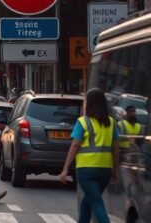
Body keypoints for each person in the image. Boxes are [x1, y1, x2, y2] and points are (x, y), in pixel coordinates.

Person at [58, 88, 119, 223]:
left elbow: (75, 146)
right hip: (105, 170)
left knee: (96, 203)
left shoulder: (82, 122)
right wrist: (116, 170)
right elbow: (116, 149)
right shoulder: (111, 123)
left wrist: (65, 168)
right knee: (87, 202)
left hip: (86, 170)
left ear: (89, 104)